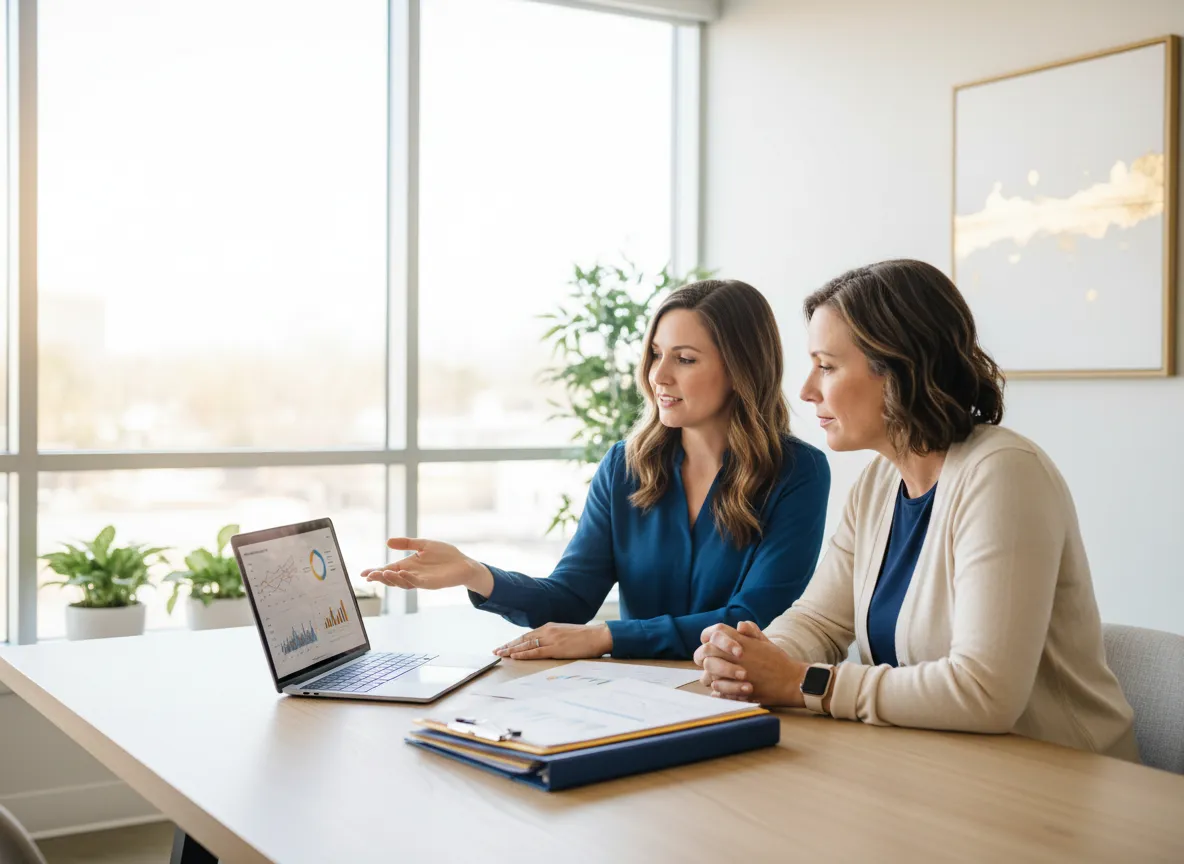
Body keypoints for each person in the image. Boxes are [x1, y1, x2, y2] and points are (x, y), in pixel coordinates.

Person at [695, 260, 1137, 760]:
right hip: (946, 764)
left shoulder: (1004, 474)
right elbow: (818, 620)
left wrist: (804, 682)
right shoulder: (878, 483)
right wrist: (748, 660)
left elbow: (985, 692)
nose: (806, 390)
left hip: (1062, 777)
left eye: (827, 366)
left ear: (899, 370)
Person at [362, 279, 831, 661]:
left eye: (685, 359)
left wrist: (607, 637)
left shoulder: (798, 473)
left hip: (737, 697)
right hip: (634, 699)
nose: (658, 375)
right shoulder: (626, 466)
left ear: (741, 369)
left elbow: (752, 621)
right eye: (656, 354)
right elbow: (569, 598)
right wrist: (473, 573)